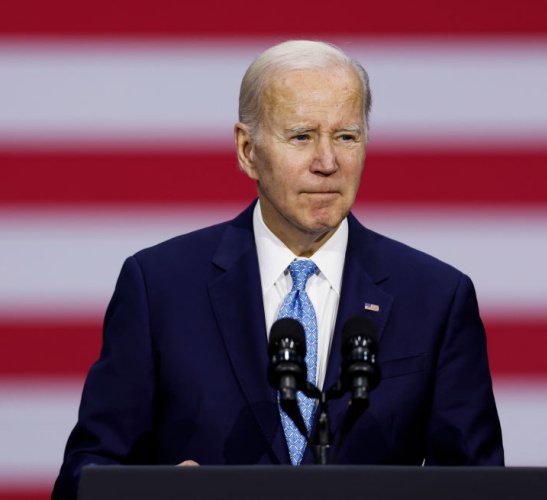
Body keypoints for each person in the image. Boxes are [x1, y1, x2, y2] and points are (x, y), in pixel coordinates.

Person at [52, 40, 504, 499]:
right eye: (302, 136)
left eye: (346, 136)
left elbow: (481, 486)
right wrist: (154, 493)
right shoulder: (160, 288)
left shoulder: (436, 297)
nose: (328, 163)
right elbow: (85, 475)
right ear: (248, 150)